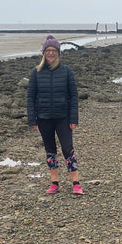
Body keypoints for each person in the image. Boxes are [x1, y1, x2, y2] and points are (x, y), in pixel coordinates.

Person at [27, 35, 83, 195]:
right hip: (44, 118)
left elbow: (73, 96)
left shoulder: (66, 71)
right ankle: (54, 183)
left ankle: (76, 183)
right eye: (48, 50)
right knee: (50, 150)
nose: (50, 53)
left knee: (67, 148)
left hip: (63, 117)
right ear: (43, 52)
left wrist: (74, 118)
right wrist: (32, 119)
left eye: (53, 50)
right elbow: (30, 97)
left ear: (58, 52)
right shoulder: (36, 73)